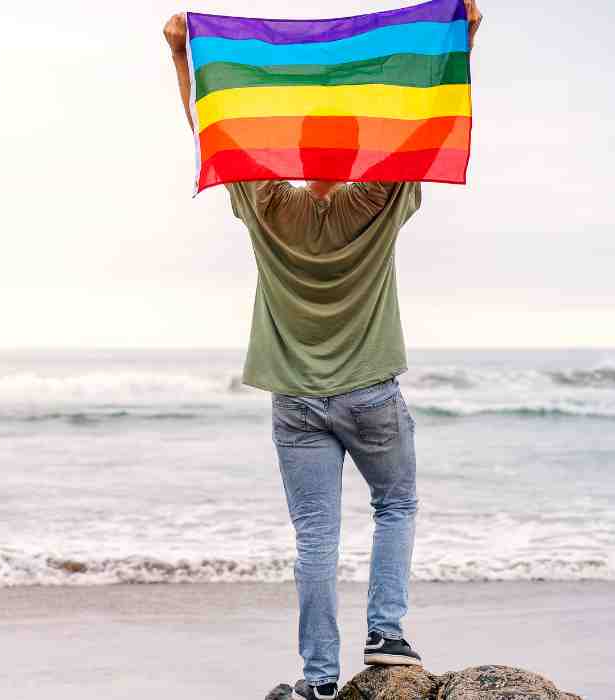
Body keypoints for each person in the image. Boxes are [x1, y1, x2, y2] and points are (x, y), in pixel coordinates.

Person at [164, 5, 482, 698]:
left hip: (295, 402)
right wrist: (466, 35)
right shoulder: (381, 199)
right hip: (372, 391)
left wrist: (179, 56)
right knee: (396, 505)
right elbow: (429, 121)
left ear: (297, 152)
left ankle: (317, 680)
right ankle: (387, 635)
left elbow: (211, 138)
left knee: (315, 540)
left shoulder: (265, 204)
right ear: (360, 151)